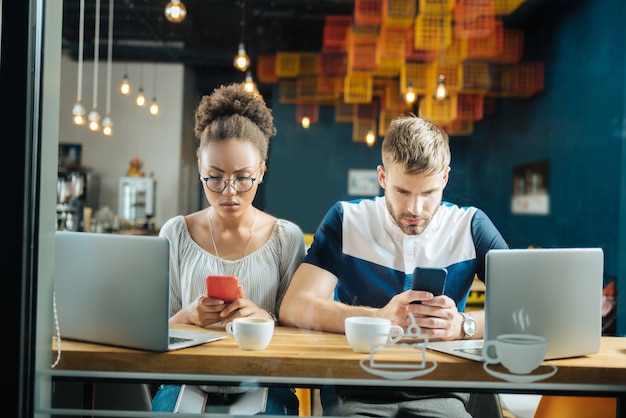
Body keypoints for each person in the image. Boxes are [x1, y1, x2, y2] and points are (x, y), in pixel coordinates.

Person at [279, 114, 509, 417]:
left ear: (444, 179)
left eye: (428, 193)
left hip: (442, 390)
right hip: (356, 390)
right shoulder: (347, 220)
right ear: (383, 177)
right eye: (402, 191)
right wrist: (379, 320)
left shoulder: (471, 226)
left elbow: (527, 313)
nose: (415, 208)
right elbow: (294, 307)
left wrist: (462, 326)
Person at [151, 83, 305, 415]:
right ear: (200, 168)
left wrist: (264, 318)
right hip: (186, 380)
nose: (229, 192)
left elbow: (302, 339)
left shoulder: (286, 239)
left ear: (261, 170)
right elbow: (152, 333)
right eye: (215, 178)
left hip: (265, 383)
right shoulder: (175, 234)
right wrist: (189, 316)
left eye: (243, 178)